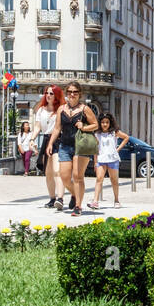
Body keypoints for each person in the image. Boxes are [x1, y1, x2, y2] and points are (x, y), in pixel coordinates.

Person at [45, 82, 97, 216]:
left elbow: (95, 125)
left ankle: (78, 206)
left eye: (75, 92)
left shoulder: (85, 109)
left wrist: (83, 127)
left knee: (78, 176)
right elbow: (57, 128)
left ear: (80, 94)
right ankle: (75, 194)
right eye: (69, 92)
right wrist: (50, 143)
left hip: (81, 146)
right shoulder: (61, 109)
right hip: (64, 145)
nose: (72, 94)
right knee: (64, 177)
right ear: (66, 93)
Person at [32, 84, 64, 209]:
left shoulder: (61, 109)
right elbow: (37, 127)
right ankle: (52, 198)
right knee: (48, 172)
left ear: (56, 95)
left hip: (58, 139)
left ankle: (60, 198)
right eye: (47, 93)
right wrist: (32, 139)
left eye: (51, 93)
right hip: (46, 139)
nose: (49, 95)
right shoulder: (41, 110)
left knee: (57, 170)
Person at [87, 112, 129, 209]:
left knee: (114, 180)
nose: (105, 124)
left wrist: (117, 149)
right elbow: (95, 148)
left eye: (107, 122)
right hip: (101, 159)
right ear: (99, 123)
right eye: (102, 122)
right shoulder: (97, 134)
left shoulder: (114, 132)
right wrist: (95, 161)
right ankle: (95, 201)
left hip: (113, 159)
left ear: (110, 123)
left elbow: (126, 138)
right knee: (99, 179)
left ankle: (116, 200)